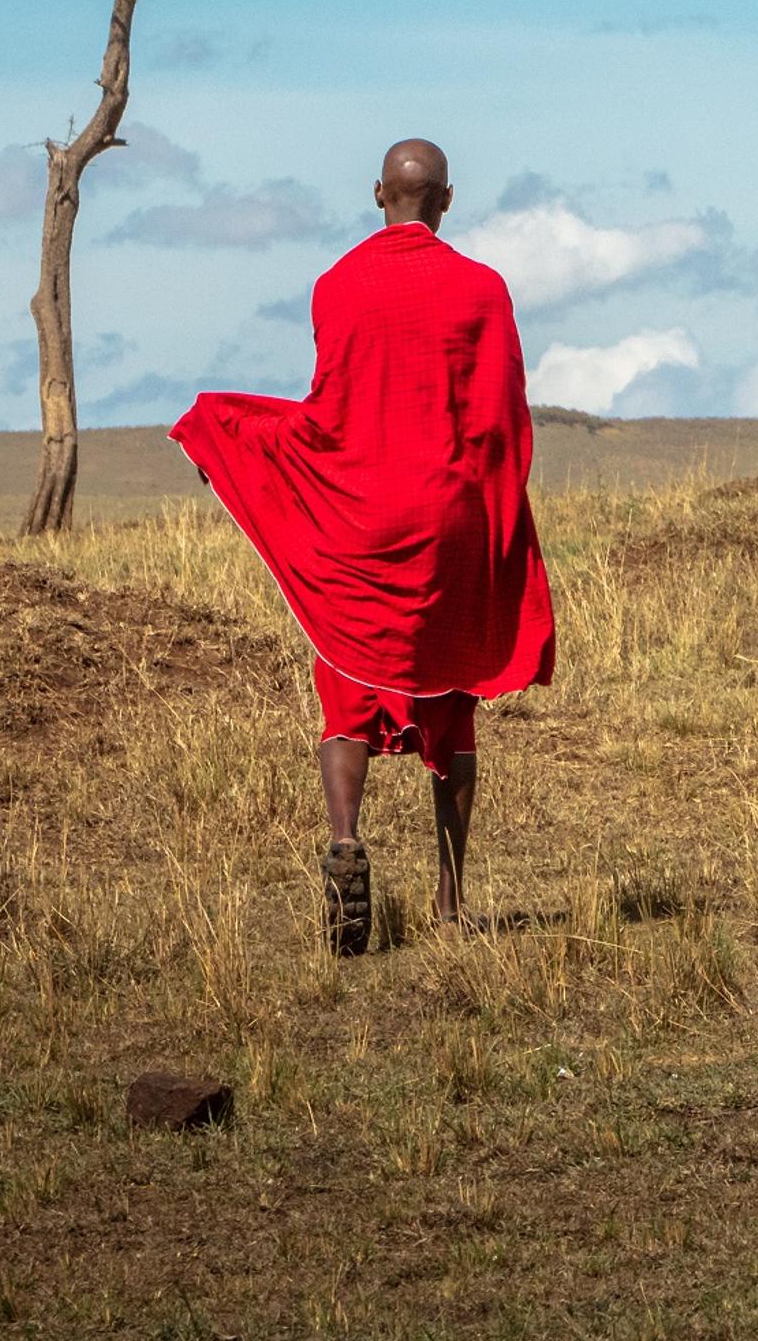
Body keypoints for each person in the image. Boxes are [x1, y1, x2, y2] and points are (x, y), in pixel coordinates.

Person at [171, 139, 556, 953]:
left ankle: (346, 840)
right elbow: (503, 416)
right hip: (450, 518)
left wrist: (230, 439)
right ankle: (450, 904)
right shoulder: (484, 289)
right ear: (446, 200)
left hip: (361, 517)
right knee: (451, 700)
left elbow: (327, 413)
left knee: (350, 688)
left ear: (378, 194)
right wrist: (492, 510)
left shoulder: (336, 285)